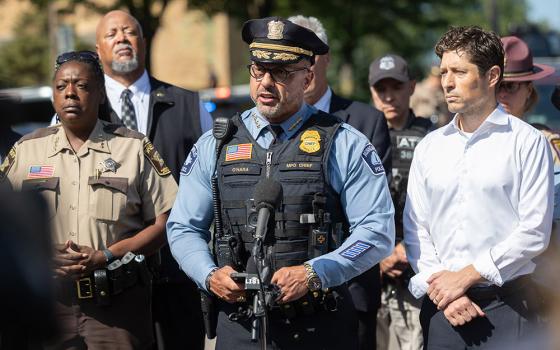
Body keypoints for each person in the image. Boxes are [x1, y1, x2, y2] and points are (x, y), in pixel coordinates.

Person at [167, 17, 395, 349]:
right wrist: (208, 274)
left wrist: (316, 273)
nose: (266, 83)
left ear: (309, 77)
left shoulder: (345, 143)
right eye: (258, 70)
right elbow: (183, 227)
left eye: (282, 72)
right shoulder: (215, 144)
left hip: (320, 325)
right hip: (239, 324)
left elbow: (376, 232)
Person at [0, 51, 177, 349]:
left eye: (81, 85)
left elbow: (167, 220)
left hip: (117, 307)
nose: (70, 93)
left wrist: (108, 254)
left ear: (100, 94)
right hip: (49, 307)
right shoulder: (26, 150)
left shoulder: (132, 147)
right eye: (61, 86)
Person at [403, 26, 553, 349]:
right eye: (443, 71)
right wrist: (444, 290)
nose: (447, 81)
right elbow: (416, 230)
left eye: (459, 71)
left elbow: (534, 232)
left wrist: (468, 275)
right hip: (442, 309)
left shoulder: (527, 143)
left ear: (492, 75)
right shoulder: (429, 147)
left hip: (507, 307)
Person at [94, 10, 212, 349]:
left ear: (143, 42)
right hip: (110, 277)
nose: (121, 38)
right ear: (98, 48)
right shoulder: (83, 110)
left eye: (130, 32)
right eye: (112, 33)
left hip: (179, 273)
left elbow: (215, 180)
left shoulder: (188, 105)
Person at [287, 15, 392, 350]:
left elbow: (373, 209)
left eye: (310, 56)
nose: (304, 66)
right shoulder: (261, 125)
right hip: (282, 291)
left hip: (350, 291)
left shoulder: (366, 121)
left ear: (326, 57)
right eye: (292, 57)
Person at [368, 53, 432, 350]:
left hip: (414, 265)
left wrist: (406, 249)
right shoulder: (358, 136)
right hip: (370, 267)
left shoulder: (432, 136)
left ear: (412, 87)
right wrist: (379, 253)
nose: (389, 96)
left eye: (397, 87)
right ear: (372, 92)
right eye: (382, 89)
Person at [497, 35, 560, 166]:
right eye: (496, 86)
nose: (502, 94)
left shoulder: (545, 143)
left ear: (529, 90)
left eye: (511, 86)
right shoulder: (468, 138)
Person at [410, 63, 451, 128]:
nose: (436, 80)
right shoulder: (418, 89)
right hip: (420, 129)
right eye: (434, 77)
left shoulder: (446, 93)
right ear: (429, 76)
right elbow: (409, 109)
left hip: (439, 129)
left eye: (439, 77)